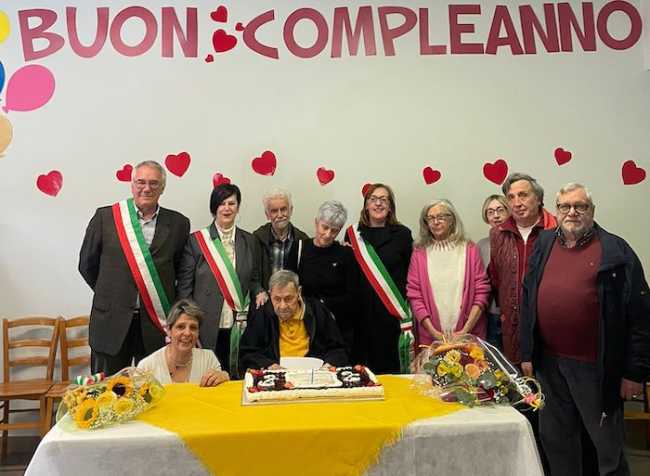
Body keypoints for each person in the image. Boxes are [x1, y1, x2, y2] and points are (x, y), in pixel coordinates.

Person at [521, 183, 650, 476]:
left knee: (606, 447)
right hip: (549, 365)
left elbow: (640, 314)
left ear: (592, 210)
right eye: (565, 206)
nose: (572, 212)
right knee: (556, 441)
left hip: (596, 368)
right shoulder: (544, 243)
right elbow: (529, 296)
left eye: (580, 206)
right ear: (556, 211)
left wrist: (634, 373)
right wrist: (528, 352)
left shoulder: (616, 250)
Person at [79, 160, 190, 375]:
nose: (146, 188)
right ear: (132, 185)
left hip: (155, 324)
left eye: (154, 183)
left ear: (162, 188)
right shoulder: (106, 217)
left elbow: (180, 271)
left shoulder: (179, 223)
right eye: (141, 182)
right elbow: (87, 264)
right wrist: (111, 293)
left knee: (154, 388)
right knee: (108, 390)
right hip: (110, 322)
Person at [176, 183, 266, 377]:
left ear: (238, 207)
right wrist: (189, 322)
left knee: (235, 376)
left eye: (231, 203)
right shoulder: (196, 241)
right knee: (206, 376)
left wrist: (259, 290)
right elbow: (185, 288)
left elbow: (254, 278)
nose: (227, 208)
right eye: (222, 203)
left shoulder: (250, 241)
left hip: (239, 322)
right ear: (214, 207)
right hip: (206, 322)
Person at [488, 173, 557, 365]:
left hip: (549, 332)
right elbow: (496, 279)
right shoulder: (498, 234)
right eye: (511, 197)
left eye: (523, 195)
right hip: (512, 330)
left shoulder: (556, 230)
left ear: (539, 198)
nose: (517, 203)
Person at [346, 183, 413, 374]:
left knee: (390, 371)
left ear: (390, 206)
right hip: (362, 316)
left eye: (384, 200)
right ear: (366, 205)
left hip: (391, 315)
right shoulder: (353, 234)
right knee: (364, 373)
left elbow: (411, 273)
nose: (378, 204)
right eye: (373, 199)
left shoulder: (403, 234)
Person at [407, 200, 490, 348]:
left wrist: (465, 331)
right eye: (430, 218)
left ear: (451, 220)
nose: (435, 222)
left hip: (468, 335)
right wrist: (433, 332)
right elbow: (414, 294)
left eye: (441, 217)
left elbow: (482, 291)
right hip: (431, 338)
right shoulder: (419, 253)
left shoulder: (470, 249)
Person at [239, 270, 349, 370]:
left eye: (288, 299)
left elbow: (338, 350)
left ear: (298, 292)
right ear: (270, 294)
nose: (282, 306)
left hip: (314, 375)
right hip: (277, 377)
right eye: (277, 299)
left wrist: (328, 365)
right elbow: (247, 354)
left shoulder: (317, 311)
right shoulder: (262, 315)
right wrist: (269, 365)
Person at [292, 201, 358, 356]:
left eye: (334, 231)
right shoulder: (299, 248)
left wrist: (323, 304)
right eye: (325, 227)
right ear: (316, 223)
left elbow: (353, 295)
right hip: (304, 326)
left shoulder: (345, 254)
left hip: (337, 327)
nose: (328, 234)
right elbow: (290, 287)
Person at [138, 299, 230, 386]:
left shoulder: (208, 360)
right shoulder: (146, 367)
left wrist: (224, 377)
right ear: (169, 330)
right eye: (180, 327)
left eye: (193, 328)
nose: (187, 333)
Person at [253, 188, 308, 289]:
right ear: (267, 215)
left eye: (283, 209)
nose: (280, 215)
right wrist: (259, 291)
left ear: (291, 210)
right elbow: (252, 275)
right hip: (265, 296)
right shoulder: (256, 239)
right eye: (274, 211)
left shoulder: (303, 240)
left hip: (292, 297)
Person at [476, 194, 510, 349]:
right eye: (490, 212)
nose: (496, 216)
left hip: (514, 314)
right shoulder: (481, 245)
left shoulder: (517, 241)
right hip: (491, 314)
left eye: (500, 210)